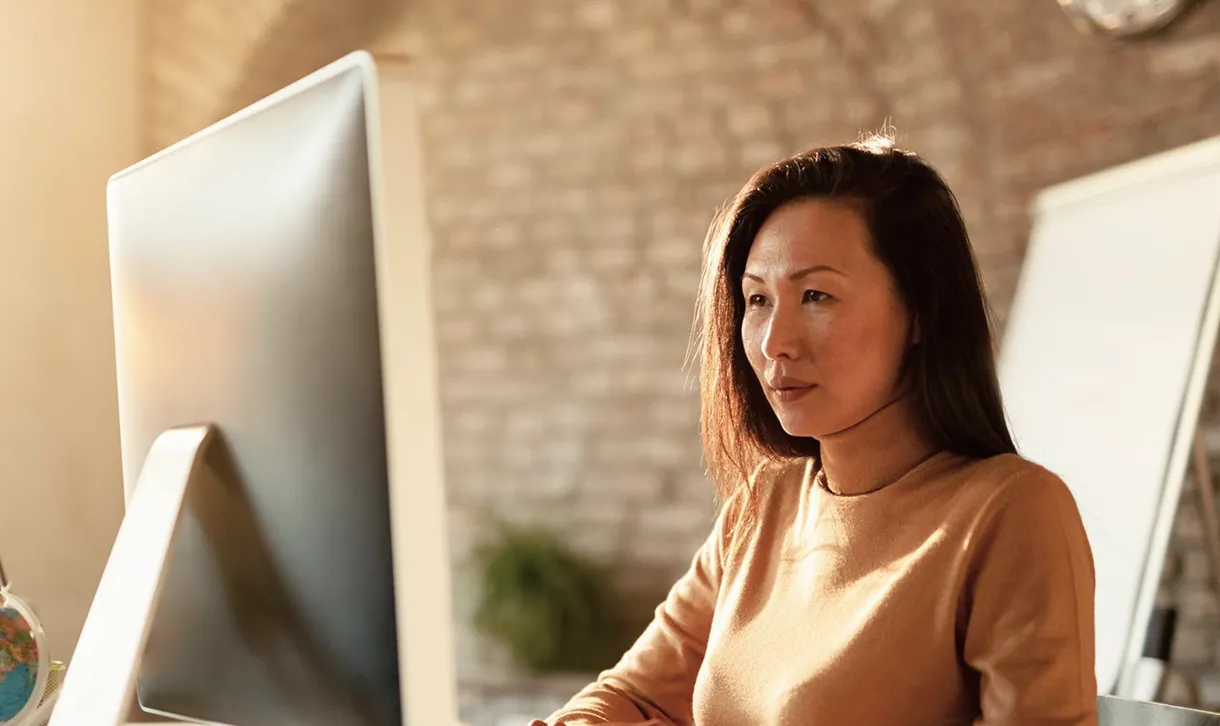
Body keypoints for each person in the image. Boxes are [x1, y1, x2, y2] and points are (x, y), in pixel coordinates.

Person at [530, 136, 1097, 726]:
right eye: (757, 299)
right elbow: (630, 697)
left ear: (922, 310)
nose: (776, 341)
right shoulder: (762, 506)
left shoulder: (1011, 513)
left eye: (816, 295)